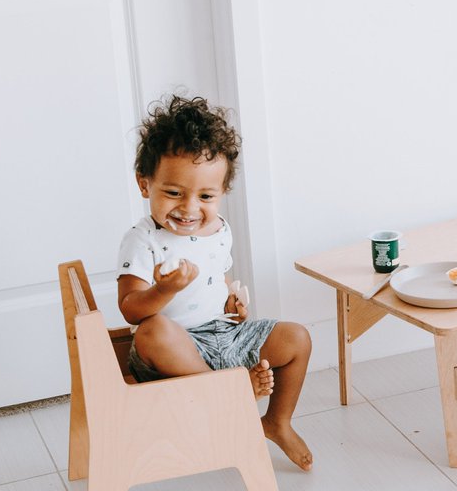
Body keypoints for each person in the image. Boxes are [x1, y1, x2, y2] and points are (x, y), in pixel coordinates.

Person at [117, 94, 314, 471]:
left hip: (222, 335)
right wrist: (166, 289)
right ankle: (229, 396)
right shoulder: (143, 240)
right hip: (173, 352)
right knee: (153, 330)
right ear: (145, 184)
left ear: (222, 192)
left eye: (206, 195)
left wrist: (231, 304)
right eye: (173, 192)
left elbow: (218, 279)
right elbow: (129, 309)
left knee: (297, 338)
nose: (189, 208)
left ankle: (276, 422)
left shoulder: (220, 230)